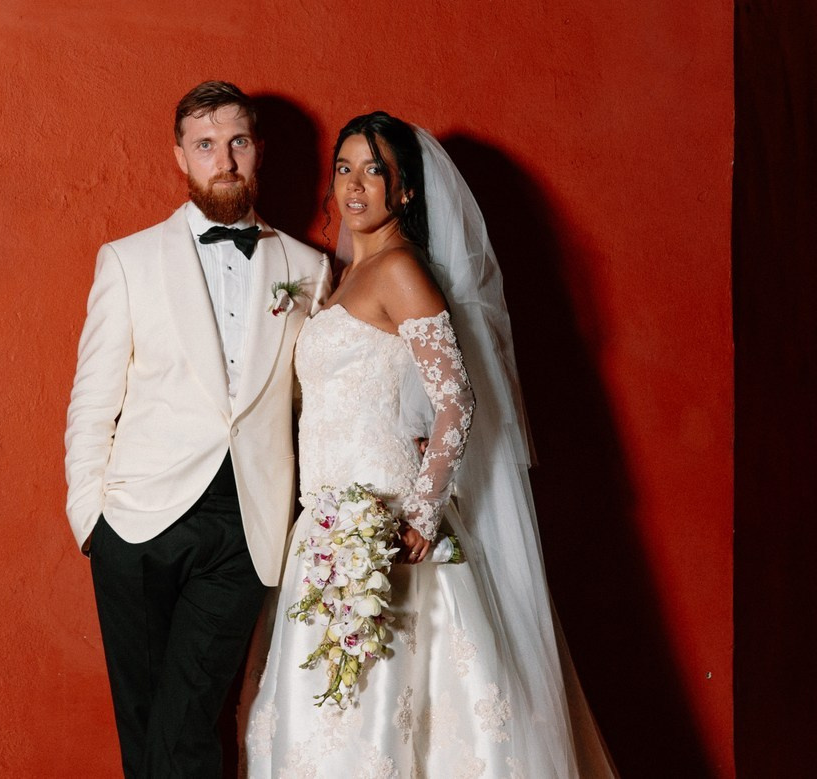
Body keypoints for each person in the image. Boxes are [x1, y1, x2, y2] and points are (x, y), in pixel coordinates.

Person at [246, 112, 617, 779]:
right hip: (327, 526)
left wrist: (420, 513)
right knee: (325, 719)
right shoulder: (344, 278)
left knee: (382, 715)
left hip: (383, 528)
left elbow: (457, 399)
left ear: (406, 190)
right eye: (345, 168)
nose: (354, 186)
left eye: (374, 170)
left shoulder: (399, 270)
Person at [66, 81, 335, 779]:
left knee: (184, 726)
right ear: (180, 156)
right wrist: (92, 519)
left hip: (246, 529)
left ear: (259, 151)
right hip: (136, 523)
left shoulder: (308, 269)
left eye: (237, 141)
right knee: (146, 734)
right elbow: (92, 399)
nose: (225, 159)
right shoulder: (128, 259)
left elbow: (314, 403)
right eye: (206, 144)